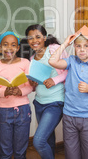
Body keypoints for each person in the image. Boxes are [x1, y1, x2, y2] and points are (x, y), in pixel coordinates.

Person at [49, 30, 88, 159]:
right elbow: (52, 61)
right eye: (78, 46)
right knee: (71, 154)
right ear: (74, 47)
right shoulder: (71, 61)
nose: (82, 50)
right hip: (69, 116)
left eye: (86, 46)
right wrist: (66, 42)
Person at [25, 24, 68, 159]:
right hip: (39, 103)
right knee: (48, 139)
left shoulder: (54, 49)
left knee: (38, 141)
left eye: (38, 37)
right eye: (30, 38)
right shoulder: (31, 59)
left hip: (55, 103)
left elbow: (69, 69)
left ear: (44, 37)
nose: (34, 40)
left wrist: (54, 80)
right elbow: (35, 86)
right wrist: (32, 84)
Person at [0, 31, 33, 159]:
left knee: (20, 150)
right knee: (5, 150)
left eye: (13, 45)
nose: (9, 48)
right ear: (0, 47)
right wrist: (6, 91)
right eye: (5, 44)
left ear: (18, 47)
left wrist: (20, 91)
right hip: (4, 112)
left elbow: (30, 86)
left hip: (23, 109)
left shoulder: (25, 63)